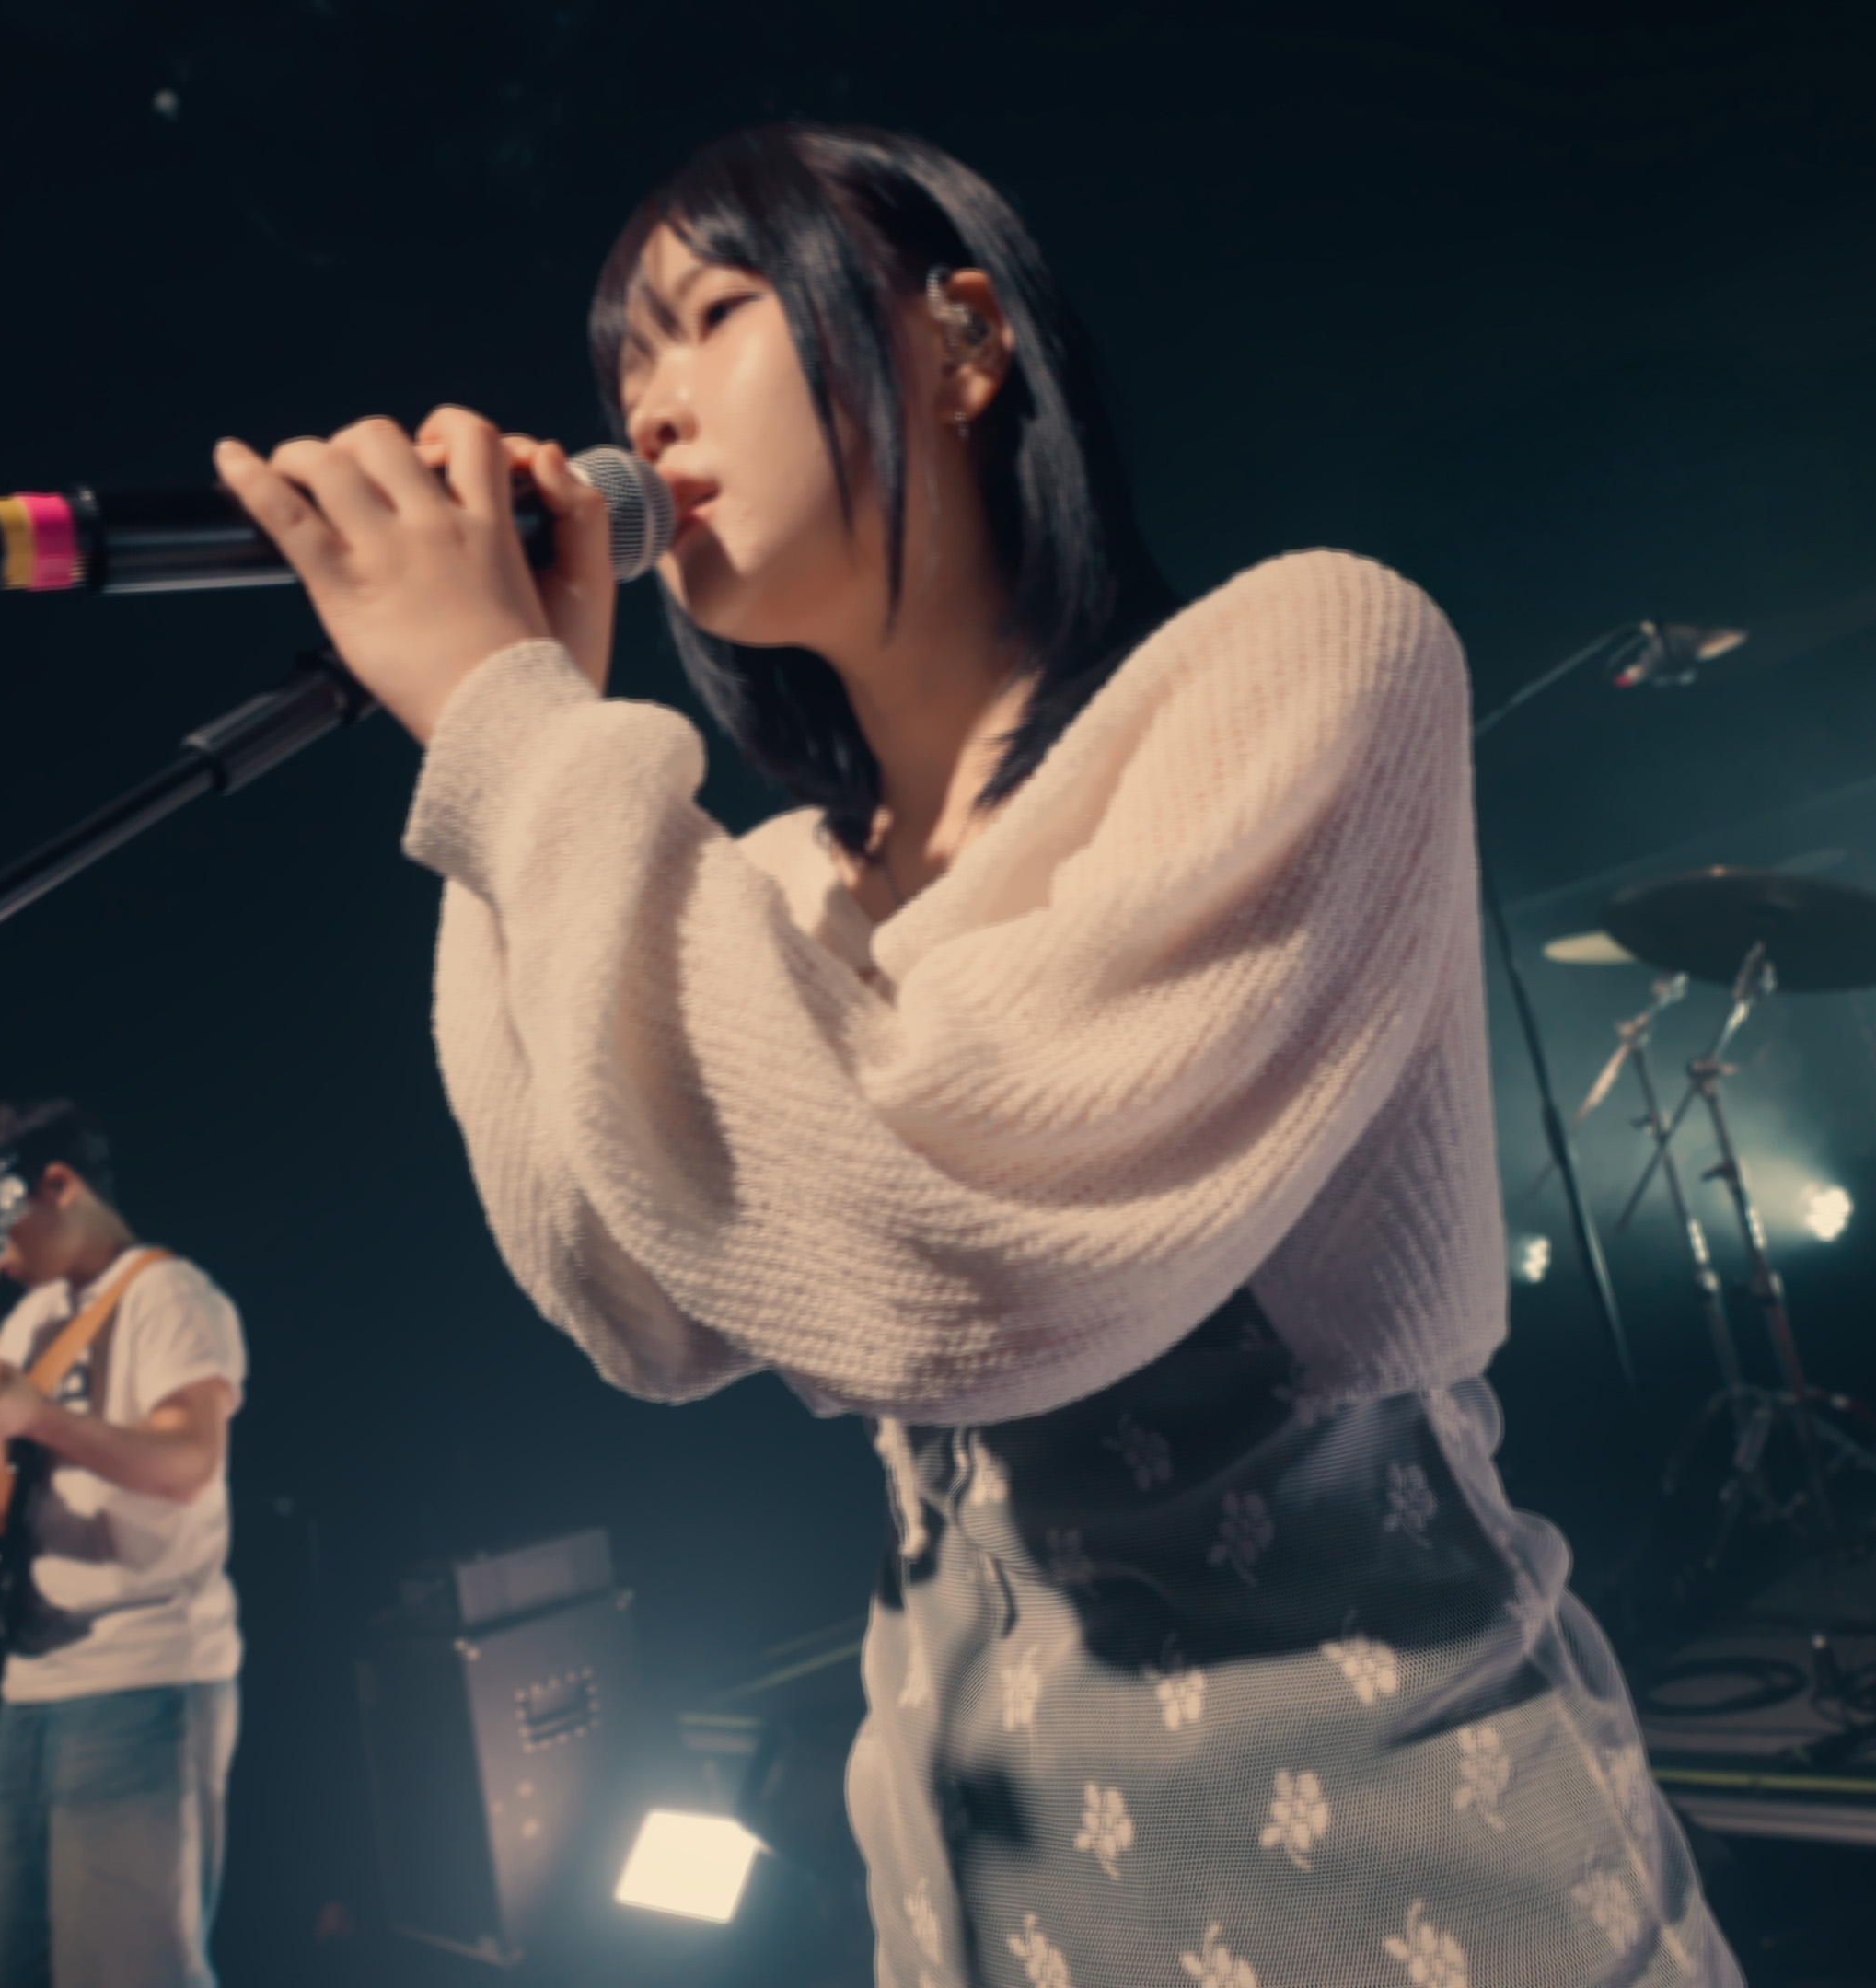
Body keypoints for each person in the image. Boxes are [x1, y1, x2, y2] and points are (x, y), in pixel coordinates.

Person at [214, 123, 1736, 1987]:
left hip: (1398, 1879)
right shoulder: (764, 889)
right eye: (622, 372)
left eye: (712, 315)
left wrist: (513, 732)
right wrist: (506, 747)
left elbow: (962, 1266)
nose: (647, 408)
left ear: (961, 341)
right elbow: (634, 1299)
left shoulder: (1308, 659)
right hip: (978, 1912)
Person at [0, 1100, 249, 1988]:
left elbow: (190, 1462)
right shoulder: (31, 1315)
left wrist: (41, 1418)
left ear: (56, 1184)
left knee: (128, 1973)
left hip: (145, 1679)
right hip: (34, 1687)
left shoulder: (170, 1292)